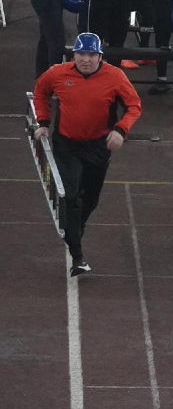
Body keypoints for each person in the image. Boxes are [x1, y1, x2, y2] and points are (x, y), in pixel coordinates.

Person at [32, 33, 143, 277]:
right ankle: (78, 256)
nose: (86, 59)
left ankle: (75, 230)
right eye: (81, 54)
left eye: (91, 55)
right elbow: (40, 91)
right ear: (74, 55)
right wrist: (43, 121)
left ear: (100, 56)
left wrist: (121, 130)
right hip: (66, 145)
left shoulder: (115, 76)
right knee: (71, 197)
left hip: (98, 146)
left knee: (90, 199)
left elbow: (134, 106)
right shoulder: (58, 73)